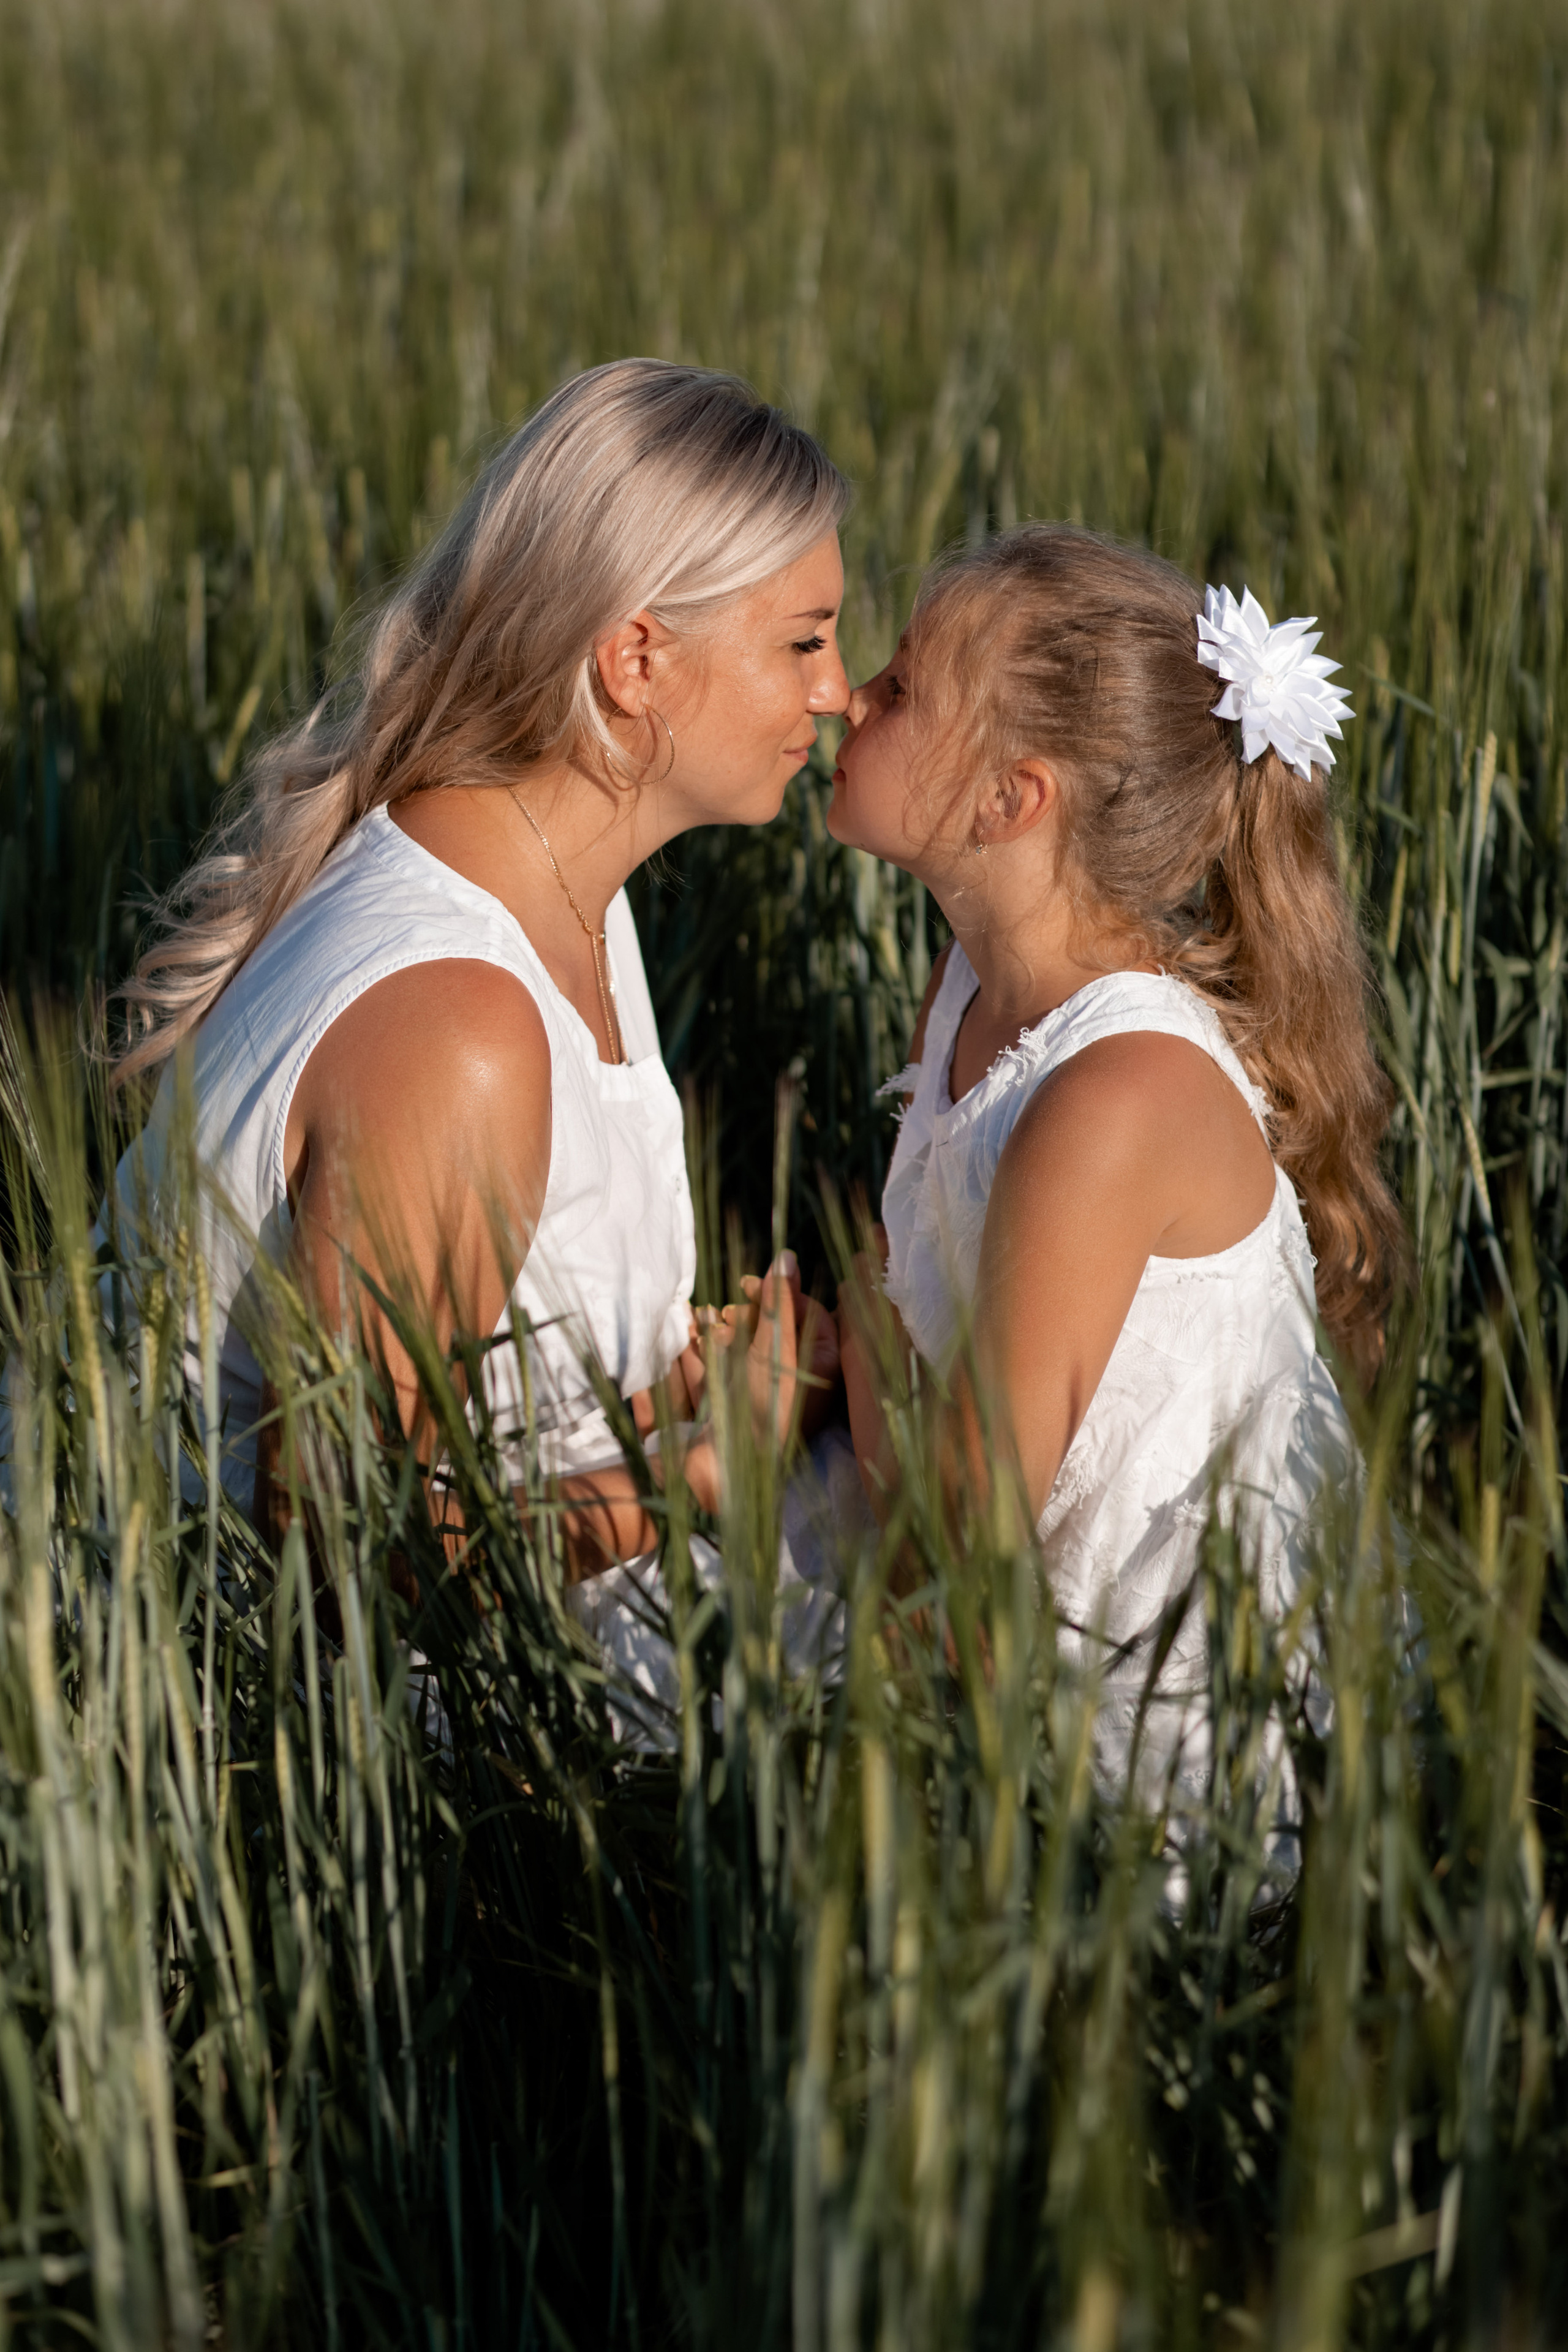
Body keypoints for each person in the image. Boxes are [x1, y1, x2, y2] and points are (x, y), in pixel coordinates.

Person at [108, 360, 846, 1636]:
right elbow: (338, 1543)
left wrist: (656, 1397)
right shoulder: (462, 1021)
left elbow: (483, 1377)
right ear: (635, 660)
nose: (835, 691)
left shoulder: (568, 895)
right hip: (306, 1702)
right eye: (802, 642)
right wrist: (707, 1472)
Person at [828, 527, 1404, 1807]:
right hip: (987, 1622)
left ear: (1007, 800)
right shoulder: (974, 985)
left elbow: (955, 1552)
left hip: (1148, 1770)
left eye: (902, 686)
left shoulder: (1111, 1098)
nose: (844, 694)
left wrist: (855, 1334)